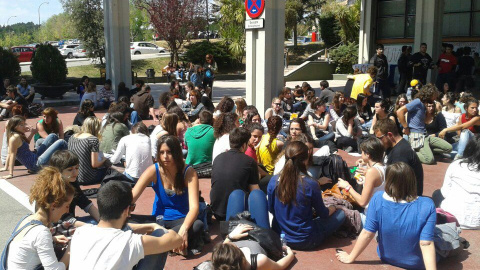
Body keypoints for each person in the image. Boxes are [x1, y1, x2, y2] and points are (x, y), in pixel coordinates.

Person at [336, 162, 437, 270]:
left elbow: (367, 233)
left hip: (386, 257)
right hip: (416, 262)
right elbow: (426, 243)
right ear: (412, 180)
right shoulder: (427, 204)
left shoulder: (378, 198)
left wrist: (351, 257)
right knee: (446, 234)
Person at [70, 181, 183, 270]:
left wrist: (151, 226)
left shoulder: (80, 232)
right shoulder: (129, 242)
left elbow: (120, 228)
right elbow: (176, 240)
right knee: (160, 234)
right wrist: (158, 228)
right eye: (132, 208)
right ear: (127, 210)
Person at [132, 135, 204, 256]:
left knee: (197, 225)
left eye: (169, 152)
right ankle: (170, 243)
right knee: (127, 221)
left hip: (180, 220)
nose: (165, 156)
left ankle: (162, 242)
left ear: (176, 153)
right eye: (162, 152)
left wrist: (184, 229)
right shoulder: (154, 170)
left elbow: (194, 208)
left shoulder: (188, 172)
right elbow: (133, 195)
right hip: (158, 221)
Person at [268, 141, 345, 250]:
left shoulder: (273, 181)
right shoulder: (310, 184)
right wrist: (334, 207)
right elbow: (324, 214)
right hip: (305, 240)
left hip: (280, 235)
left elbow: (271, 209)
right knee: (341, 214)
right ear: (305, 160)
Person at [4, 167, 73, 269]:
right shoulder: (41, 233)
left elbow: (29, 245)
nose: (67, 211)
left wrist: (52, 238)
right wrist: (70, 251)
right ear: (53, 206)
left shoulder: (27, 219)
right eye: (67, 206)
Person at [211, 128, 261, 221]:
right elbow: (255, 191)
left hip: (216, 210)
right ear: (244, 144)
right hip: (236, 213)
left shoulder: (218, 158)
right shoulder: (249, 161)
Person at [432, 134, 480, 229]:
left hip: (451, 216)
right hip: (477, 222)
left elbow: (445, 193)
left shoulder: (456, 165)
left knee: (437, 194)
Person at [0, 116, 67, 178]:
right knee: (62, 142)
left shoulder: (17, 134)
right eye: (21, 125)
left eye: (24, 124)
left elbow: (25, 143)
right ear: (14, 126)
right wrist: (10, 174)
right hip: (35, 165)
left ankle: (57, 160)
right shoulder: (15, 138)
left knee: (52, 136)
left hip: (35, 157)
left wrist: (32, 132)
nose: (24, 126)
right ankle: (66, 165)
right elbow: (11, 154)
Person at [337, 138, 385, 224]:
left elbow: (362, 202)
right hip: (382, 214)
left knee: (339, 214)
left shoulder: (372, 172)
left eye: (362, 152)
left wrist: (347, 186)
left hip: (370, 218)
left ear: (368, 155)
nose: (361, 155)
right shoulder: (385, 167)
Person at [373, 119, 424, 195]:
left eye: (379, 138)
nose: (378, 142)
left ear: (390, 135)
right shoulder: (392, 145)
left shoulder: (400, 154)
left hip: (406, 197)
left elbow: (398, 184)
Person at [212, 224, 295, 270]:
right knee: (256, 195)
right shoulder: (257, 261)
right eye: (234, 245)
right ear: (242, 257)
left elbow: (224, 247)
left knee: (237, 193)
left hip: (236, 231)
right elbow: (279, 266)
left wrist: (230, 237)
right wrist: (290, 255)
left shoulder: (219, 260)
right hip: (260, 235)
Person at [49, 150, 100, 224]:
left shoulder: (72, 181)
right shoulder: (54, 189)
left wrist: (101, 221)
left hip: (71, 222)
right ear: (57, 171)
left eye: (77, 168)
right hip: (58, 226)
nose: (75, 172)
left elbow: (85, 203)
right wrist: (89, 227)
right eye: (70, 170)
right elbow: (63, 218)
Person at [68, 117, 110, 185]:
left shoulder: (72, 137)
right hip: (88, 177)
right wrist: (104, 160)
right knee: (110, 170)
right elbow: (95, 164)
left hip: (74, 176)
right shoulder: (93, 140)